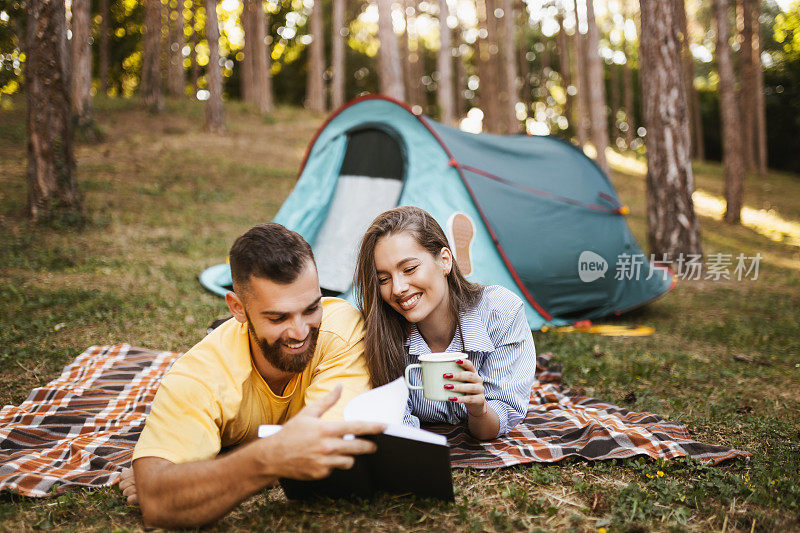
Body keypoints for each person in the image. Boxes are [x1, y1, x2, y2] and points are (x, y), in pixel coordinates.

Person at [122, 223, 385, 528]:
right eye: (278, 317)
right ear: (238, 308)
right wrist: (270, 457)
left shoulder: (340, 328)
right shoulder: (198, 377)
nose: (300, 332)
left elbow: (325, 448)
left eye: (311, 308)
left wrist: (218, 468)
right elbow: (159, 502)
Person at [354, 206, 536, 440]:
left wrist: (479, 410)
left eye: (409, 269)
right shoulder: (380, 331)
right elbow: (399, 427)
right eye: (384, 279)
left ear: (444, 261)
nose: (398, 288)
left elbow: (493, 426)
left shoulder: (502, 312)